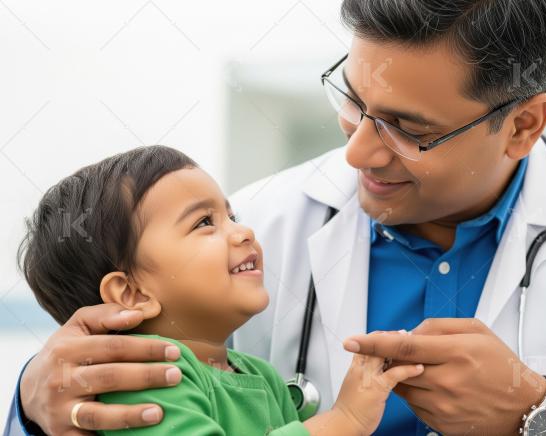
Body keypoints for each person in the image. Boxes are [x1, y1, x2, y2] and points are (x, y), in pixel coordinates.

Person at [5, 1, 546, 435]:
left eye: (407, 127)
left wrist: (544, 412)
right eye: (353, 100)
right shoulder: (264, 225)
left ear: (524, 125)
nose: (360, 149)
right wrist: (32, 403)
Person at [11, 145, 422, 435]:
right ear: (132, 293)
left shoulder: (258, 376)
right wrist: (344, 419)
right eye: (204, 223)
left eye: (231, 214)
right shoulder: (145, 382)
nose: (243, 231)